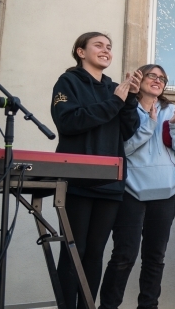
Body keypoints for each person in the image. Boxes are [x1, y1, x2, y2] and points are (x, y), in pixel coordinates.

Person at [51, 32, 141, 309]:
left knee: (95, 253)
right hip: (77, 180)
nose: (106, 50)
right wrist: (116, 102)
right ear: (81, 52)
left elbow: (129, 129)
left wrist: (131, 100)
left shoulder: (115, 88)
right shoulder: (68, 82)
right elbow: (68, 121)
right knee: (73, 251)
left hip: (109, 183)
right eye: (98, 45)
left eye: (109, 47)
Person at [99, 64, 175, 309]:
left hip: (167, 192)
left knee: (155, 258)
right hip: (131, 191)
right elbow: (122, 150)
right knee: (124, 255)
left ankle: (149, 305)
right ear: (139, 78)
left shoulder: (173, 110)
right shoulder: (124, 108)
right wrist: (148, 127)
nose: (158, 80)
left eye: (162, 78)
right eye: (152, 75)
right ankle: (108, 306)